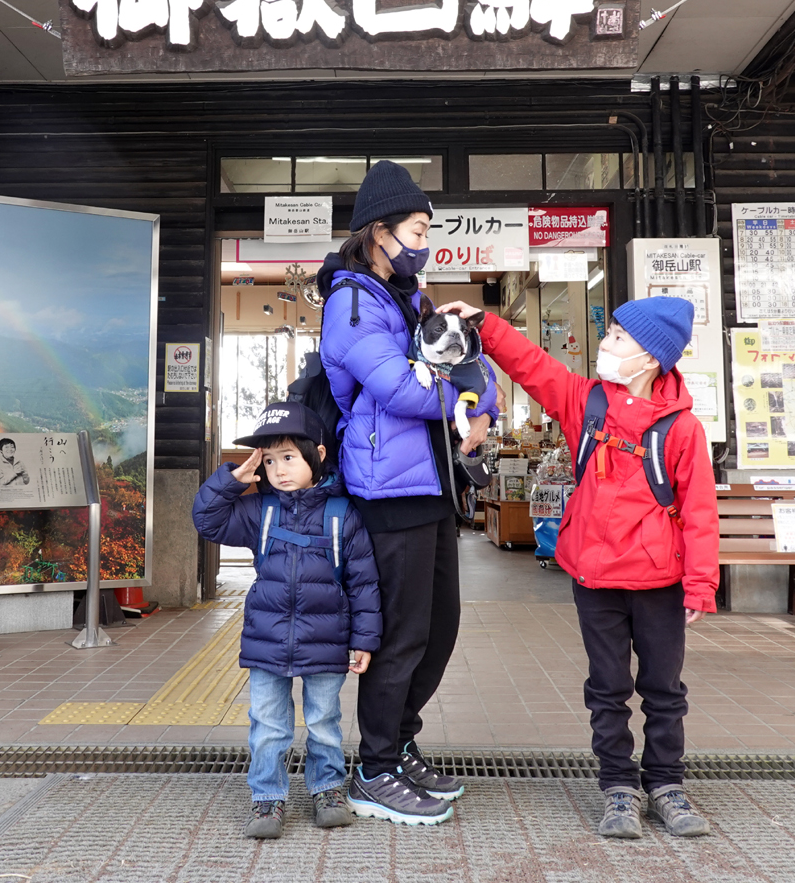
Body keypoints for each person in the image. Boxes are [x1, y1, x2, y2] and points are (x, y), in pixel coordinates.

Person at [438, 294, 719, 839]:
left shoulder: (683, 429)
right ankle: (618, 787)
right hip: (595, 578)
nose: (605, 345)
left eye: (616, 338)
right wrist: (485, 324)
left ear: (650, 358)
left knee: (664, 689)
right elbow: (533, 366)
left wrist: (701, 584)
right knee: (608, 686)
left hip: (660, 581)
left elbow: (701, 512)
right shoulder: (587, 403)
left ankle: (666, 785)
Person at [315, 160, 501, 825]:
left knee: (440, 626)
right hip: (386, 487)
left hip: (431, 480)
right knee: (402, 633)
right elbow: (398, 387)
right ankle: (375, 767)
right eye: (418, 228)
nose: (426, 241)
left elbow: (472, 362)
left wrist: (482, 406)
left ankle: (401, 738)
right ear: (378, 232)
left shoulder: (410, 295)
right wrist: (462, 402)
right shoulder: (353, 301)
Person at [192, 402, 382, 840]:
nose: (278, 470)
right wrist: (231, 479)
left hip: (327, 639)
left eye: (289, 458)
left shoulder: (341, 514)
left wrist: (364, 641)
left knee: (323, 721)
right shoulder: (261, 511)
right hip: (267, 639)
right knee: (268, 725)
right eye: (270, 460)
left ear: (316, 454)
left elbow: (364, 584)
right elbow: (206, 520)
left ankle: (328, 789)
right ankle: (266, 796)